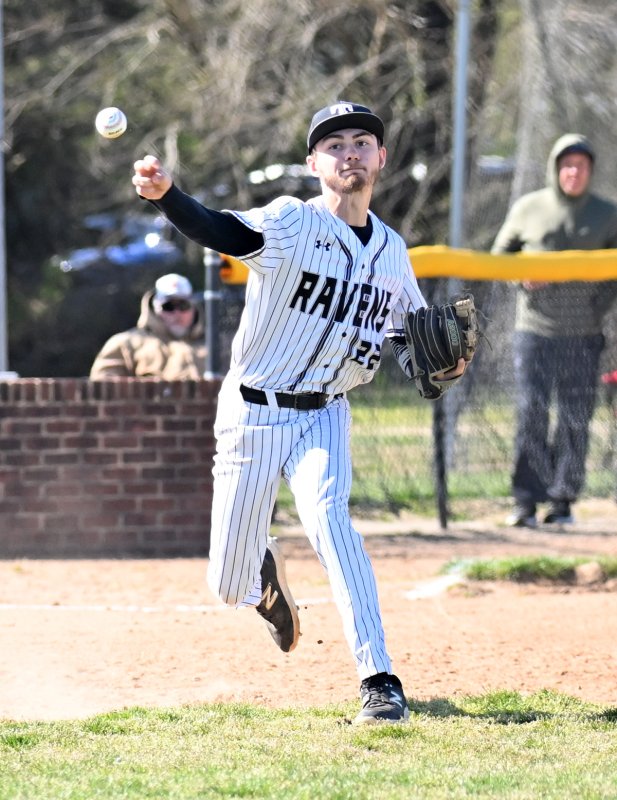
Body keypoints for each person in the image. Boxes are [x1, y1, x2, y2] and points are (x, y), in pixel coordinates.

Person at [132, 101, 469, 725]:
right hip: (253, 411)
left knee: (333, 525)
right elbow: (224, 232)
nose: (349, 152)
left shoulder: (393, 253)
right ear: (314, 163)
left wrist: (438, 361)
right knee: (226, 585)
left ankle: (380, 680)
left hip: (324, 414)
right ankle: (261, 575)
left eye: (362, 141)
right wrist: (167, 197)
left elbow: (408, 338)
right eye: (334, 144)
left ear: (381, 158)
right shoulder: (291, 222)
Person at [491, 133, 617, 528]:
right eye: (567, 164)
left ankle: (562, 502)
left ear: (590, 171)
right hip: (534, 332)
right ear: (555, 168)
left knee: (575, 417)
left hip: (584, 334)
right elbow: (498, 257)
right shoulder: (529, 208)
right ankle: (526, 502)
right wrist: (521, 275)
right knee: (531, 411)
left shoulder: (607, 213)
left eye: (581, 165)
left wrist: (599, 301)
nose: (574, 172)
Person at [90, 273, 206, 379]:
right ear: (154, 306)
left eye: (183, 306)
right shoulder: (126, 343)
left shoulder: (216, 345)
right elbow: (102, 387)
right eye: (168, 306)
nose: (177, 313)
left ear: (194, 308)